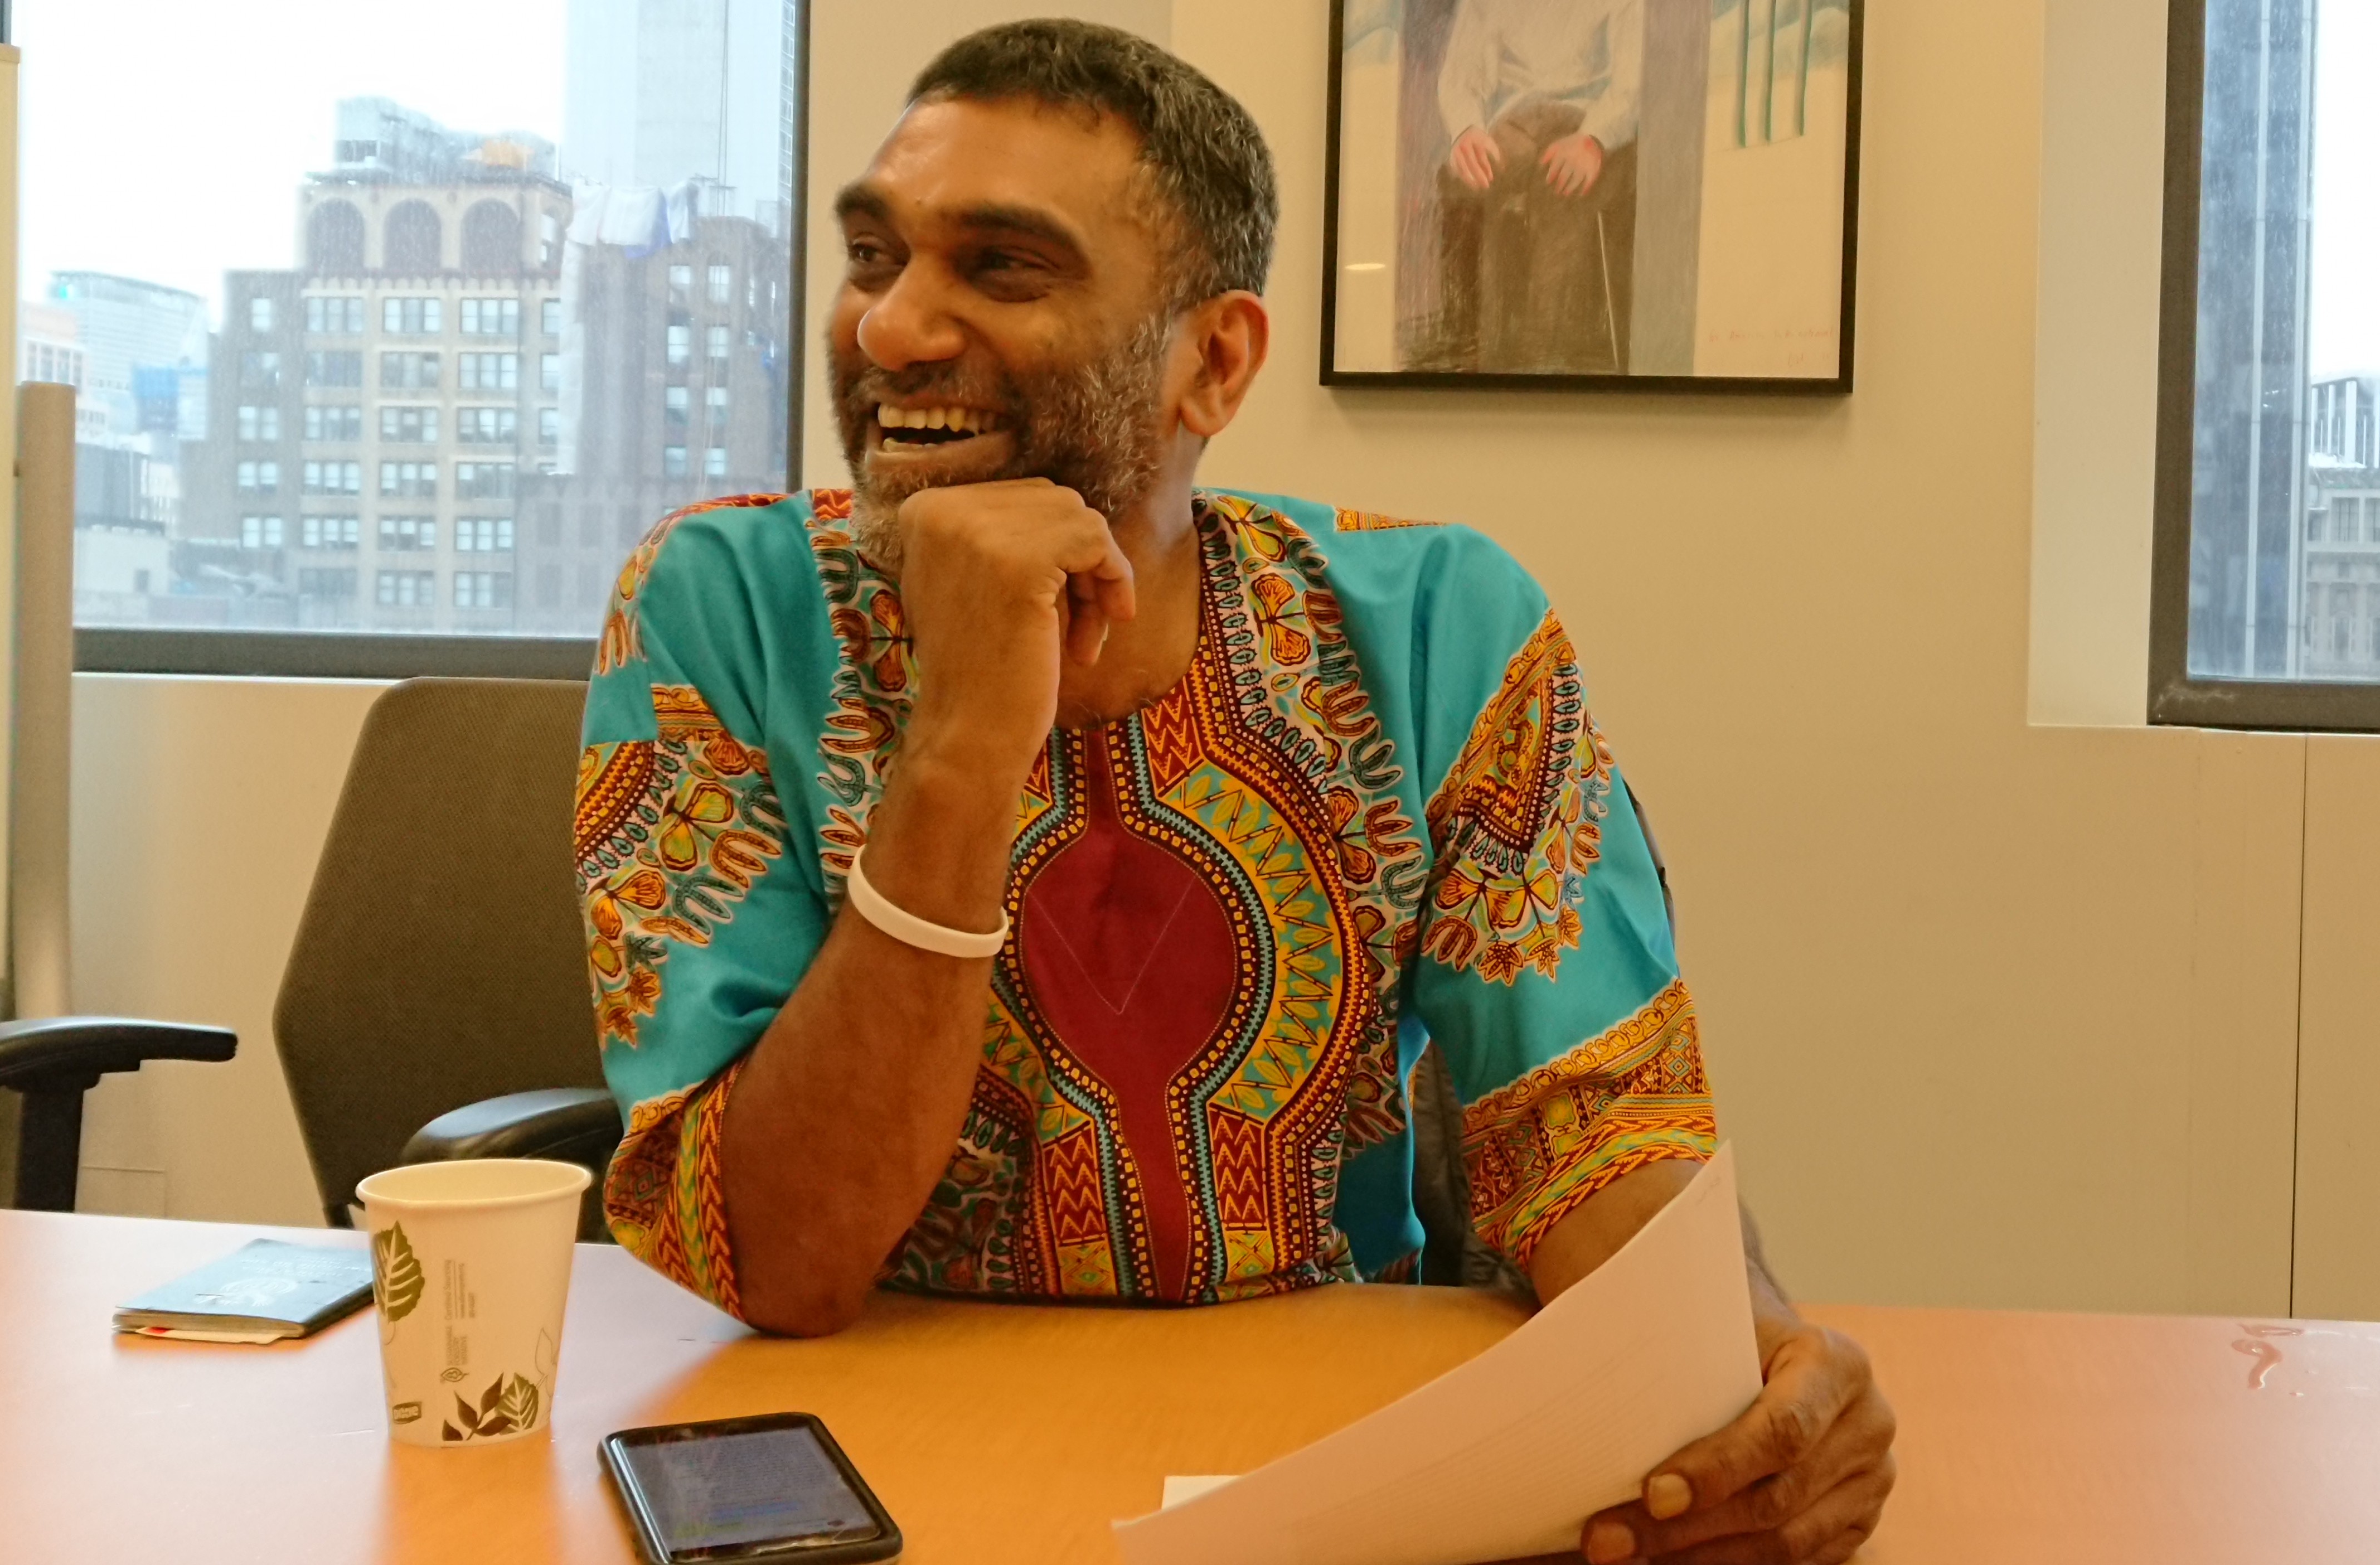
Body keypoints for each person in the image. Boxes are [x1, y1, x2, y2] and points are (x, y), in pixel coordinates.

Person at [574, 20, 1892, 1563]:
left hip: (1323, 1474)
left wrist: (1752, 1372)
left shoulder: (1435, 625)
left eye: (998, 269)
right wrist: (961, 738)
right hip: (876, 1466)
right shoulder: (722, 606)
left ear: (1215, 357)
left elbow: (1604, 1144)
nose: (887, 329)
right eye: (873, 254)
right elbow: (784, 1258)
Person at [1428, 0, 1641, 374]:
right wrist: (1466, 129)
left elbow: (1631, 86)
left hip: (1592, 120)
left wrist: (1594, 137)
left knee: (1560, 186)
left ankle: (1543, 357)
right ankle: (1482, 349)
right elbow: (1461, 78)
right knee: (1468, 178)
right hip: (1517, 119)